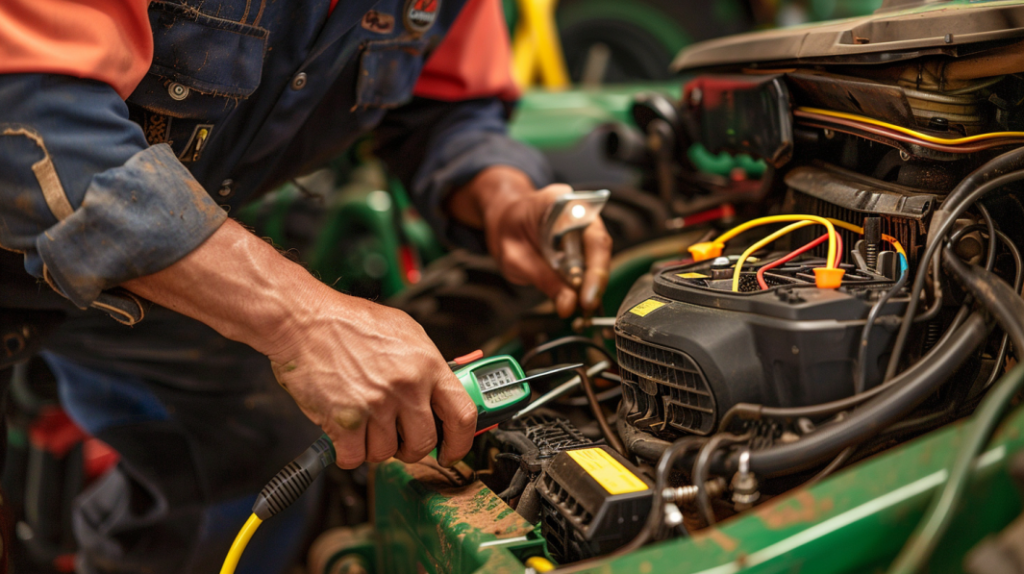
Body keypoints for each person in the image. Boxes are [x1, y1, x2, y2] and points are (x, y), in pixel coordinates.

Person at [0, 0, 612, 571]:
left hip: (148, 238)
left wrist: (503, 197)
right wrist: (303, 319)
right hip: (48, 205)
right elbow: (31, 118)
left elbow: (448, 109)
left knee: (253, 443)